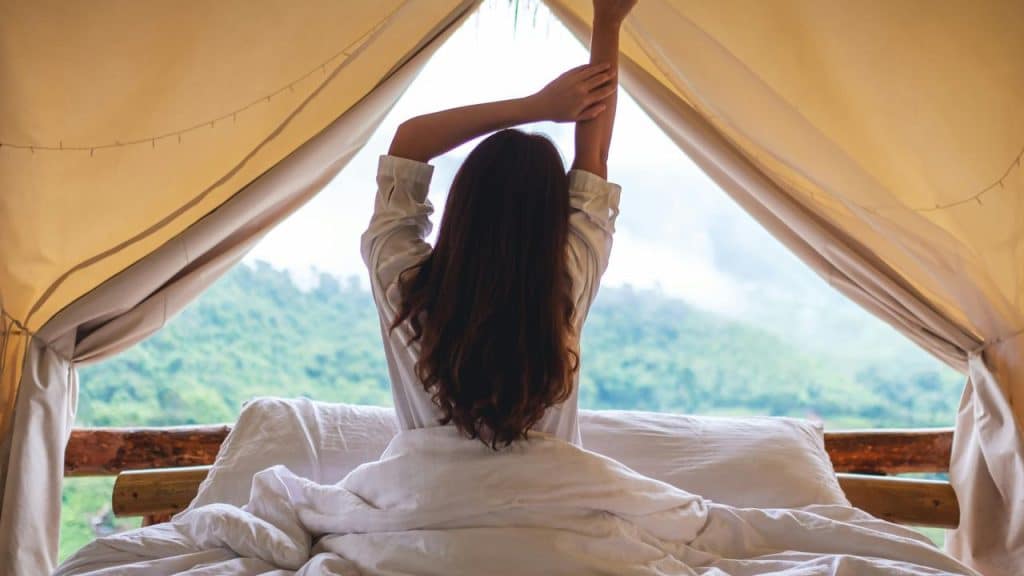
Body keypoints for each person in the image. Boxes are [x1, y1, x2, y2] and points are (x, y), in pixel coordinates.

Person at [362, 0, 637, 448]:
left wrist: (536, 106)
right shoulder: (566, 283)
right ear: (552, 222)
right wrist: (608, 21)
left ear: (463, 204)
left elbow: (408, 145)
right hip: (550, 515)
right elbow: (594, 157)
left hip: (431, 508)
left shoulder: (402, 283)